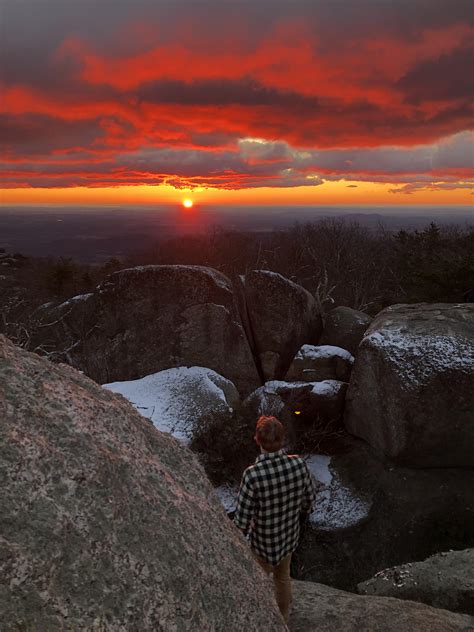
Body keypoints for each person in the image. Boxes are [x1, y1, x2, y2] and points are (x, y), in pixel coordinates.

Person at [234, 415, 316, 624]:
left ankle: (256, 620)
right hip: (289, 537)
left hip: (263, 545)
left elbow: (241, 521)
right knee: (283, 577)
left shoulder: (253, 475)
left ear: (257, 440)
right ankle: (283, 618)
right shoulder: (298, 463)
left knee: (255, 582)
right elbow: (309, 500)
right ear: (282, 439)